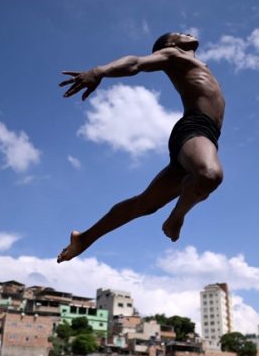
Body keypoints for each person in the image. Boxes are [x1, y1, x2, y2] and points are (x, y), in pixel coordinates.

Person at [57, 32, 225, 263]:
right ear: (171, 43)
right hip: (194, 128)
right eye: (181, 33)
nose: (188, 33)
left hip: (206, 135)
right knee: (209, 175)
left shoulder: (197, 64)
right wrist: (100, 71)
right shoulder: (172, 54)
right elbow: (136, 63)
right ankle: (175, 218)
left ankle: (84, 238)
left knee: (144, 204)